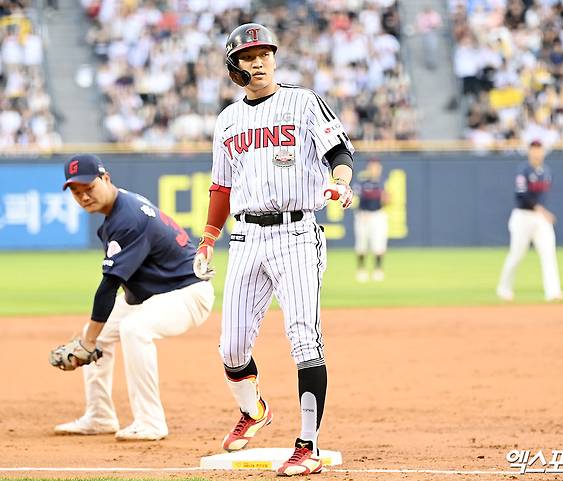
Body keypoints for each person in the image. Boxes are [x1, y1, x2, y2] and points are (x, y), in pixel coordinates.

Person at [192, 23, 354, 477]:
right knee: (231, 347)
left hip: (297, 234)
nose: (259, 61)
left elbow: (339, 151)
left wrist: (340, 183)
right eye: (248, 56)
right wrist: (208, 238)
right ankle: (254, 410)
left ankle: (308, 445)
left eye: (264, 52)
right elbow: (221, 187)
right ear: (234, 67)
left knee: (304, 338)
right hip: (245, 238)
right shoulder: (227, 120)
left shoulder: (302, 102)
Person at [50, 154, 215, 441]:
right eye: (77, 192)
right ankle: (100, 415)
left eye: (88, 187)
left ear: (106, 179)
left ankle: (151, 422)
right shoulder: (119, 208)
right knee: (96, 334)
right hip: (156, 295)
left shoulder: (128, 218)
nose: (84, 196)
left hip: (187, 293)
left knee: (133, 329)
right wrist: (90, 339)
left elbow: (109, 286)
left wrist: (85, 345)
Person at [496, 140, 563, 302]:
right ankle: (504, 288)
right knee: (517, 255)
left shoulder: (547, 171)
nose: (537, 153)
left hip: (540, 218)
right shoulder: (523, 170)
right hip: (523, 216)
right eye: (534, 150)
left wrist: (540, 212)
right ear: (529, 152)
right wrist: (540, 210)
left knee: (549, 253)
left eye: (539, 150)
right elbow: (521, 195)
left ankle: (553, 292)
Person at [354, 157, 389, 282]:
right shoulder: (362, 181)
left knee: (379, 243)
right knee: (361, 243)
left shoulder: (383, 182)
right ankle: (361, 269)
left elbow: (387, 200)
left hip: (378, 214)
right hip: (363, 215)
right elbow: (357, 197)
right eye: (372, 167)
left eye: (377, 167)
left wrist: (386, 198)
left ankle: (378, 269)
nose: (375, 169)